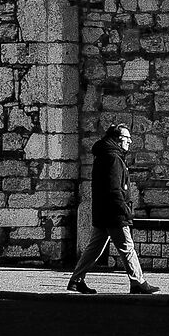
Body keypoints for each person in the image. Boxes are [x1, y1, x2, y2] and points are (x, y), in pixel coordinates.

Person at [68, 124, 158, 295]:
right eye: (127, 138)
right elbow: (114, 189)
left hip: (103, 211)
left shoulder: (105, 155)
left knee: (95, 247)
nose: (130, 141)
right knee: (127, 246)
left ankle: (76, 280)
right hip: (114, 212)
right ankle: (138, 282)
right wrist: (125, 210)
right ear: (118, 139)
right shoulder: (113, 158)